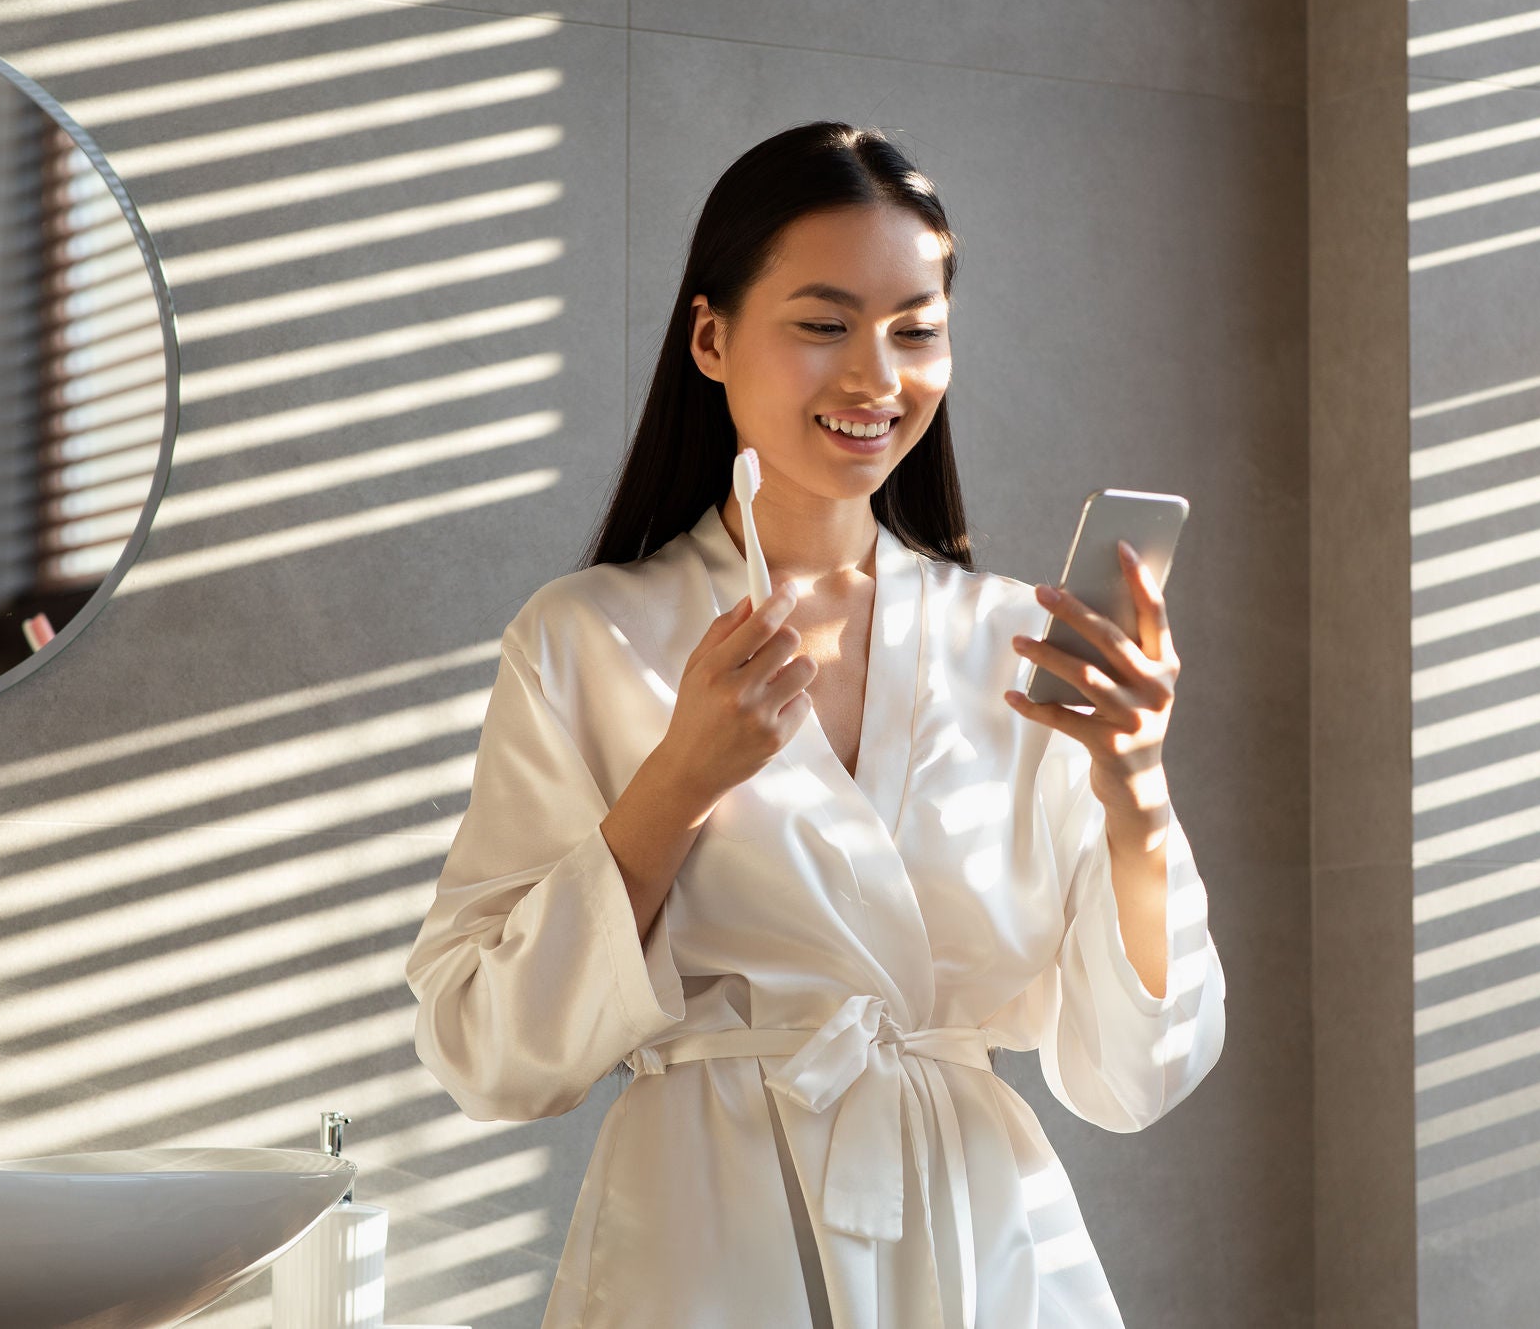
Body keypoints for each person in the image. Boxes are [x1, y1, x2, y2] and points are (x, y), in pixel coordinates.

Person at [405, 120, 1226, 1329]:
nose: (875, 379)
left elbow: (1132, 1074)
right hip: (704, 1246)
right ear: (710, 337)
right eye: (823, 323)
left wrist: (1135, 791)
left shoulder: (1012, 641)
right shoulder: (590, 638)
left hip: (986, 1251)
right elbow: (486, 1048)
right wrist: (677, 781)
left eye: (916, 329)